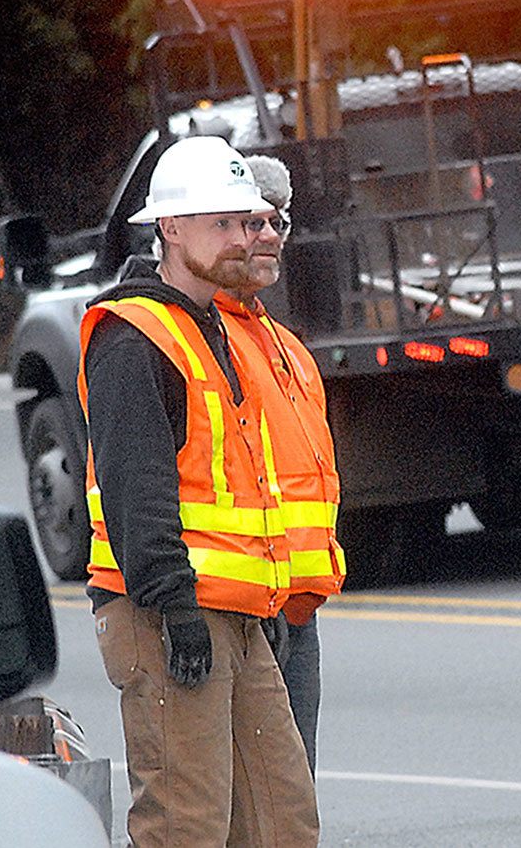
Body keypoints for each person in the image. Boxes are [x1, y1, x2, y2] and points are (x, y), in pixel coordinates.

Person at [78, 135, 319, 847]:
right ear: (170, 229)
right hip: (169, 611)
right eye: (221, 223)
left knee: (284, 824)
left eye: (244, 221)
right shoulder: (134, 334)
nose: (242, 236)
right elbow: (136, 488)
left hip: (238, 612)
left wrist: (266, 598)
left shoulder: (215, 325)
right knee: (185, 825)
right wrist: (174, 606)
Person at [214, 153, 346, 775]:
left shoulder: (286, 348)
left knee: (292, 812)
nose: (268, 236)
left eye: (279, 222)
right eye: (252, 221)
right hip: (231, 615)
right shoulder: (193, 337)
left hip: (292, 612)